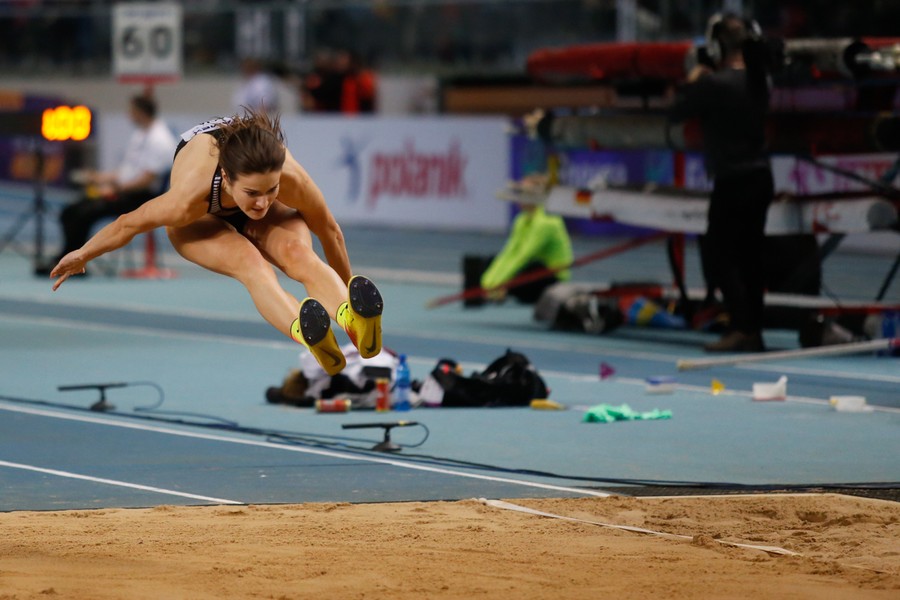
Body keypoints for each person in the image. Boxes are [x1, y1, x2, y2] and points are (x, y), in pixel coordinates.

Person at [50, 109, 383, 376]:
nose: (263, 203)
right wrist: (83, 254)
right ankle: (307, 332)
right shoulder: (187, 198)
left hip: (238, 189)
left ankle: (348, 318)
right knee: (252, 265)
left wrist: (351, 296)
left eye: (271, 190)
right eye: (253, 193)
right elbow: (127, 224)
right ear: (226, 177)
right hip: (200, 221)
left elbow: (329, 231)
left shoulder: (289, 178)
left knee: (300, 254)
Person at [669, 12, 773, 353]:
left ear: (716, 46)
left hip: (732, 180)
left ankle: (742, 327)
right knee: (752, 257)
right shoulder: (761, 80)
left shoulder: (713, 85)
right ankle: (751, 329)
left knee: (720, 257)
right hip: (760, 176)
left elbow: (675, 110)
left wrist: (694, 77)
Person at [53, 95, 177, 269]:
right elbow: (127, 172)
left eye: (131, 111)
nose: (129, 115)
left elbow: (147, 180)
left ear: (140, 112)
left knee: (84, 213)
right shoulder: (141, 134)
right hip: (126, 192)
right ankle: (67, 256)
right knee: (70, 210)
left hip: (141, 198)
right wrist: (98, 178)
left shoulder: (160, 140)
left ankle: (77, 263)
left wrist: (115, 189)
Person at [479, 184, 573, 304]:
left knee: (530, 267)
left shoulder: (546, 222)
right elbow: (509, 252)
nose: (519, 199)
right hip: (532, 267)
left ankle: (505, 292)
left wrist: (499, 284)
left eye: (523, 195)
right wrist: (487, 282)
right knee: (492, 260)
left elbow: (523, 256)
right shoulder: (521, 220)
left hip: (553, 277)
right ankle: (501, 291)